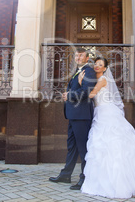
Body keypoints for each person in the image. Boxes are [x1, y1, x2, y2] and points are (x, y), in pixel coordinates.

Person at [78, 57, 135, 199]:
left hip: (106, 113)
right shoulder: (94, 77)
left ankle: (120, 183)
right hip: (99, 113)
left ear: (105, 68)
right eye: (96, 64)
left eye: (100, 65)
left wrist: (80, 82)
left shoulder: (102, 80)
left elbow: (91, 94)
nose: (97, 66)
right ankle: (102, 180)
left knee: (111, 145)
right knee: (101, 147)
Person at [49, 47, 97, 190]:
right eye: (76, 55)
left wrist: (69, 95)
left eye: (81, 55)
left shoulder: (88, 71)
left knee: (83, 148)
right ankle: (66, 174)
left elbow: (86, 92)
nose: (78, 57)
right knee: (72, 146)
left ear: (87, 58)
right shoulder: (79, 71)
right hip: (74, 115)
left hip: (81, 116)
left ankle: (85, 178)